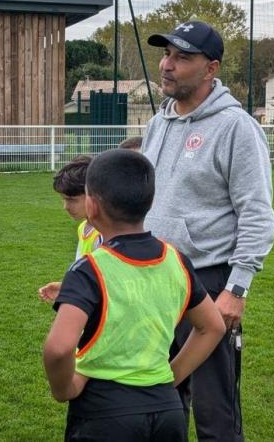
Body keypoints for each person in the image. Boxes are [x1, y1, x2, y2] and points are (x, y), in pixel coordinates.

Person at [142, 21, 274, 441]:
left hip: (207, 283)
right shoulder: (158, 123)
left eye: (183, 57)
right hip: (154, 279)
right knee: (160, 399)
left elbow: (256, 213)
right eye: (166, 55)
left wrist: (236, 290)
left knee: (214, 412)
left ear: (211, 68)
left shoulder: (236, 127)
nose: (167, 65)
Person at [43, 149, 226, 442]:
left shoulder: (89, 269)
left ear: (92, 205)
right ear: (150, 201)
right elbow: (213, 326)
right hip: (168, 412)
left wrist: (64, 389)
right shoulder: (175, 259)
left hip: (104, 413)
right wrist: (170, 378)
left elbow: (58, 349)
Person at [38, 156, 103, 304]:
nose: (65, 206)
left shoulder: (104, 236)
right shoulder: (83, 228)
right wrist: (66, 288)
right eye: (64, 199)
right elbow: (88, 277)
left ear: (95, 195)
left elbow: (106, 284)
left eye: (71, 200)